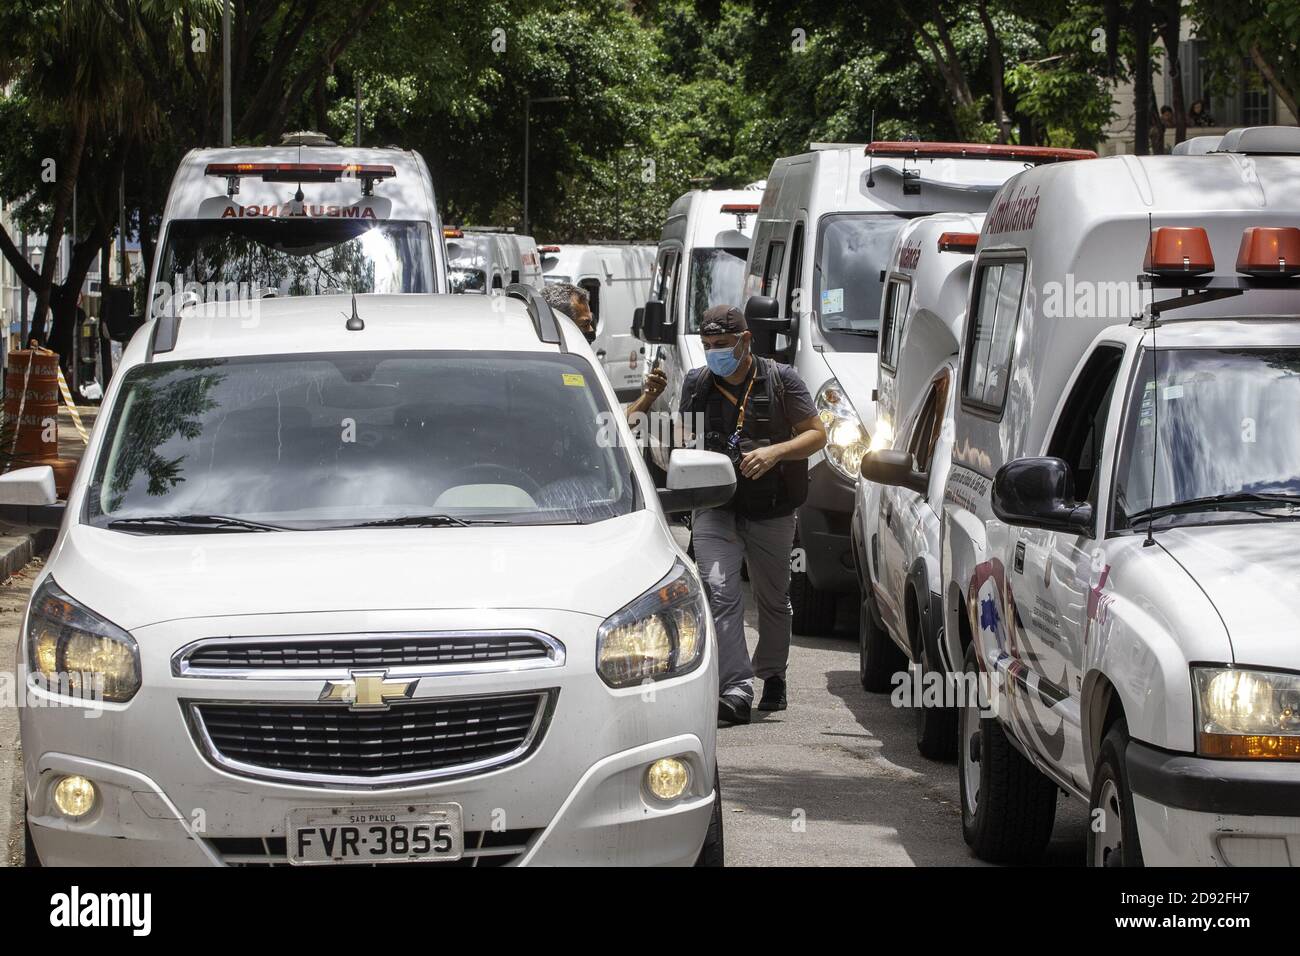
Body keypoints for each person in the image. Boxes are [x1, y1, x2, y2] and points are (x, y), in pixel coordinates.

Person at [679, 304, 826, 724]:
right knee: (720, 593)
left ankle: (773, 675)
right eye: (707, 346)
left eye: (722, 345)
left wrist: (775, 452)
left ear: (745, 341)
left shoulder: (783, 380)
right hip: (715, 509)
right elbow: (678, 441)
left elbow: (818, 434)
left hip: (773, 511)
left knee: (773, 599)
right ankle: (737, 689)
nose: (714, 354)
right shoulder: (697, 384)